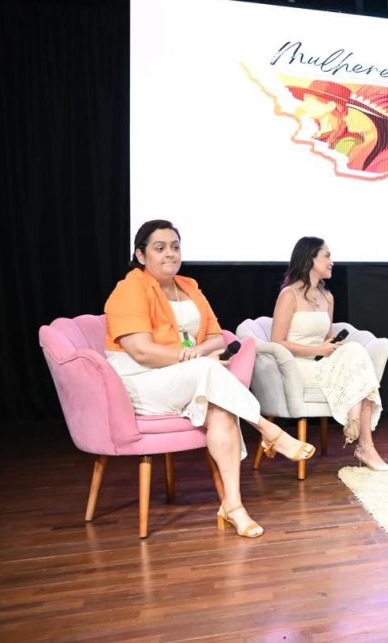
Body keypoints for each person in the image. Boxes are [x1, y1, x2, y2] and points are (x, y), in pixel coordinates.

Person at [105, 220, 314, 538]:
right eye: (160, 248)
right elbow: (142, 352)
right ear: (141, 255)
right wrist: (196, 359)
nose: (170, 254)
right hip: (141, 383)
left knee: (221, 409)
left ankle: (233, 506)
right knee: (207, 370)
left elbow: (217, 337)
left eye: (175, 247)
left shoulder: (188, 286)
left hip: (185, 378)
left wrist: (200, 353)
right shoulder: (129, 289)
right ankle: (266, 428)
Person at [270, 237, 388, 470]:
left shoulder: (327, 297)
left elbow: (326, 337)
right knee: (357, 363)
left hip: (321, 362)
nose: (332, 262)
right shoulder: (289, 295)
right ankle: (364, 444)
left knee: (354, 350)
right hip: (296, 366)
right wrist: (319, 349)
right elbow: (276, 342)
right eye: (327, 256)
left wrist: (331, 347)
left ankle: (358, 428)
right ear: (310, 258)